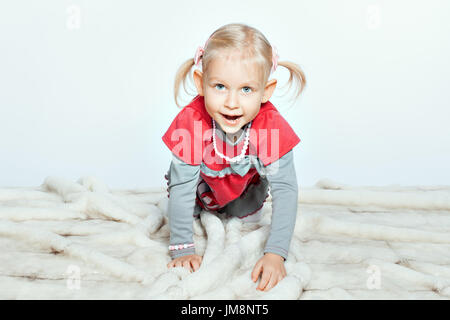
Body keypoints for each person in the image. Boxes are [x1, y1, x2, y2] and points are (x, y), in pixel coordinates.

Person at [162, 23, 306, 292]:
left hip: (243, 196)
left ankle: (237, 210)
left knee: (244, 214)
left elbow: (285, 190)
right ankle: (201, 213)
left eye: (246, 90)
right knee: (184, 196)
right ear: (200, 83)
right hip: (199, 194)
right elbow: (182, 186)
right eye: (220, 86)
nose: (231, 102)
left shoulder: (270, 127)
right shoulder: (191, 122)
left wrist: (275, 253)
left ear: (266, 90)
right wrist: (181, 248)